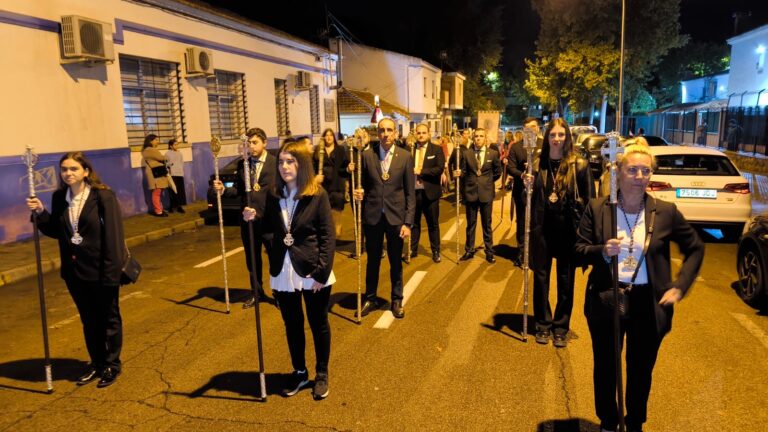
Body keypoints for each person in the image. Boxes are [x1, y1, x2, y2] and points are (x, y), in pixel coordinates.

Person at [574, 144, 704, 432]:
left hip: (649, 301)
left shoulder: (666, 212)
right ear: (618, 172)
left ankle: (634, 423)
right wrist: (602, 250)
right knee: (607, 367)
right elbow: (577, 250)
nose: (639, 175)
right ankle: (608, 422)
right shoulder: (598, 208)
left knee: (641, 369)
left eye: (646, 170)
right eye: (632, 169)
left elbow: (695, 248)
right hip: (607, 297)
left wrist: (680, 286)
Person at [27, 152, 126, 388]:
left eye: (73, 169)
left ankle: (112, 364)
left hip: (101, 270)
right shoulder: (60, 197)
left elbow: (114, 237)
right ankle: (97, 362)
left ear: (86, 172)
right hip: (74, 272)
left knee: (109, 319)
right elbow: (57, 231)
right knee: (89, 320)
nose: (68, 173)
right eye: (64, 169)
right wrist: (41, 212)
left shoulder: (103, 197)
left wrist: (111, 274)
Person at [251, 140, 335, 400]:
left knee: (318, 322)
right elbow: (266, 227)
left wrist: (322, 272)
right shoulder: (273, 194)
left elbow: (327, 236)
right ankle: (300, 372)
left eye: (291, 161)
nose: (285, 166)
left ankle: (321, 374)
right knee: (292, 325)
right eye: (281, 162)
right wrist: (251, 218)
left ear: (302, 164)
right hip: (283, 270)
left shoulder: (317, 194)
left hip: (312, 269)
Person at [523, 118, 594, 347]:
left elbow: (590, 201)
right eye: (553, 135)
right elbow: (528, 201)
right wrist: (527, 186)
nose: (556, 139)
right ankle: (542, 324)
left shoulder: (579, 164)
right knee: (541, 278)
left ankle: (561, 326)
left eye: (561, 135)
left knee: (566, 280)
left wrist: (587, 234)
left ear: (567, 137)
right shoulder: (537, 163)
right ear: (547, 138)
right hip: (542, 228)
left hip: (567, 230)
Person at [354, 117, 415, 318]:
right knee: (373, 261)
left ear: (396, 134)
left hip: (396, 218)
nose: (386, 134)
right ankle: (370, 298)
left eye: (389, 130)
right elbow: (360, 184)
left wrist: (408, 222)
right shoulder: (366, 156)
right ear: (377, 133)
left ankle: (396, 300)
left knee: (395, 262)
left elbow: (409, 193)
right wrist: (358, 192)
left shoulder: (405, 157)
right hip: (373, 217)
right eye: (382, 130)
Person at [213, 127, 276, 309]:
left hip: (269, 222)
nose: (251, 146)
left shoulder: (275, 163)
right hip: (249, 222)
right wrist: (224, 190)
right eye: (248, 143)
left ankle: (279, 294)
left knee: (275, 260)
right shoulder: (244, 164)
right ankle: (256, 292)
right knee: (252, 260)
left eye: (255, 142)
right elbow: (240, 191)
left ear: (265, 143)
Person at [454, 128, 501, 264]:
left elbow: (497, 172)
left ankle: (489, 252)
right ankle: (469, 250)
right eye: (476, 136)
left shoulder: (493, 154)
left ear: (485, 138)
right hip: (471, 193)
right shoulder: (467, 153)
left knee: (487, 225)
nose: (478, 138)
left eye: (481, 136)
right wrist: (459, 173)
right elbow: (464, 171)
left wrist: (487, 182)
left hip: (486, 193)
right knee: (471, 224)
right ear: (473, 138)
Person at [505, 118, 541, 266]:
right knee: (521, 223)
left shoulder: (544, 145)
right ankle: (521, 253)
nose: (530, 130)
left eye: (533, 127)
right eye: (527, 128)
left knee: (538, 223)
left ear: (538, 128)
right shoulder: (516, 147)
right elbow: (511, 168)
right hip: (521, 192)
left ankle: (536, 253)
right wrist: (522, 174)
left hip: (540, 192)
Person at [408, 123, 445, 262]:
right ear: (415, 134)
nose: (421, 135)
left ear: (429, 134)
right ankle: (413, 249)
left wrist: (421, 172)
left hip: (430, 193)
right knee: (414, 223)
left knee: (433, 224)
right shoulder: (409, 149)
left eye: (424, 132)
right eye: (418, 133)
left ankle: (436, 251)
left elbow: (439, 168)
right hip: (414, 193)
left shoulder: (436, 149)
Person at [314, 128, 351, 239]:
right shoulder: (319, 150)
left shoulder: (340, 150)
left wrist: (348, 172)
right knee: (325, 208)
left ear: (333, 137)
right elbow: (314, 165)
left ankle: (337, 226)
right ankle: (328, 230)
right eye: (327, 135)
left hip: (337, 183)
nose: (329, 137)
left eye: (331, 135)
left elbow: (344, 165)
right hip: (323, 184)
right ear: (324, 137)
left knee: (337, 207)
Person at [142, 134, 169, 217]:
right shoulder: (151, 150)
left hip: (155, 173)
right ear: (151, 141)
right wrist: (166, 156)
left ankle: (159, 210)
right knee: (157, 193)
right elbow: (162, 158)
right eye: (156, 140)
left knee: (157, 192)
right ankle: (158, 211)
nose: (158, 141)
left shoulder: (147, 150)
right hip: (155, 174)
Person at [165, 138, 187, 213]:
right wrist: (170, 165)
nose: (176, 146)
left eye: (177, 144)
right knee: (173, 191)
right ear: (171, 146)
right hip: (172, 174)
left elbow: (182, 162)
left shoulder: (179, 153)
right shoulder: (167, 153)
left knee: (180, 191)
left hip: (180, 174)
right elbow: (165, 163)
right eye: (175, 144)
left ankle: (179, 207)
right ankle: (171, 207)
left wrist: (182, 171)